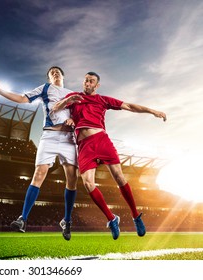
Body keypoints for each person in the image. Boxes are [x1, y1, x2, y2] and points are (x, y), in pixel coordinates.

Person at [53, 72, 167, 240]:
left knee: (119, 177)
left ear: (97, 85)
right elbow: (55, 108)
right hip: (84, 146)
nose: (88, 82)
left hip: (101, 140)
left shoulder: (102, 100)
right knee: (87, 183)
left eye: (91, 81)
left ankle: (136, 216)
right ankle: (112, 219)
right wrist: (67, 101)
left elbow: (128, 106)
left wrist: (152, 111)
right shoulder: (73, 97)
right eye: (86, 80)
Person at [0, 66, 82, 241]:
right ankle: (23, 219)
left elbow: (82, 115)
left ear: (63, 75)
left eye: (57, 71)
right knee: (38, 174)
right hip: (49, 136)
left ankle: (67, 221)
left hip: (69, 138)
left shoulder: (72, 93)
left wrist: (74, 119)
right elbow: (22, 99)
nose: (54, 72)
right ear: (49, 77)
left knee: (72, 179)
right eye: (51, 72)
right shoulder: (45, 88)